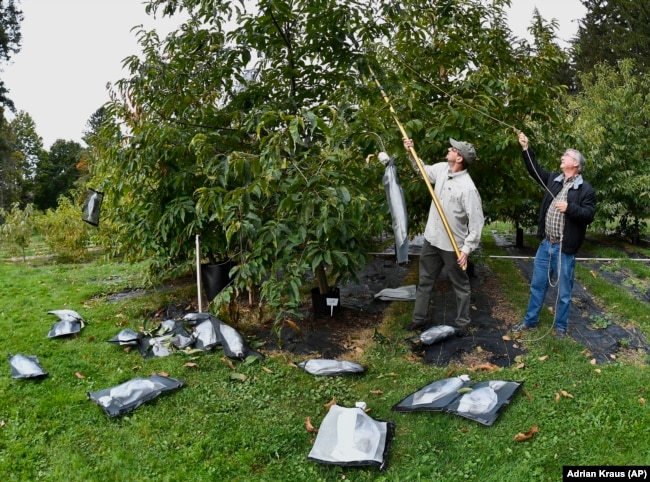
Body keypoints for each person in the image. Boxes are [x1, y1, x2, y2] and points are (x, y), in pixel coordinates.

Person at [512, 132, 597, 339]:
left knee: (564, 293)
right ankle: (530, 322)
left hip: (563, 248)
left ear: (575, 163)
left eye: (566, 155)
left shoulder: (585, 189)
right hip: (545, 245)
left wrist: (569, 208)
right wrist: (526, 148)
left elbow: (588, 215)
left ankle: (560, 328)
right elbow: (535, 171)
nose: (562, 157)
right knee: (537, 286)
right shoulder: (554, 180)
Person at [403, 137, 485, 336]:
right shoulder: (441, 169)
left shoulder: (468, 188)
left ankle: (463, 323)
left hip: (453, 246)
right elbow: (422, 170)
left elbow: (477, 223)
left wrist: (466, 250)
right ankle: (418, 320)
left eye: (453, 148)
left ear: (459, 158)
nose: (449, 148)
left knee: (461, 285)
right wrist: (410, 151)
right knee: (424, 281)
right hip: (432, 240)